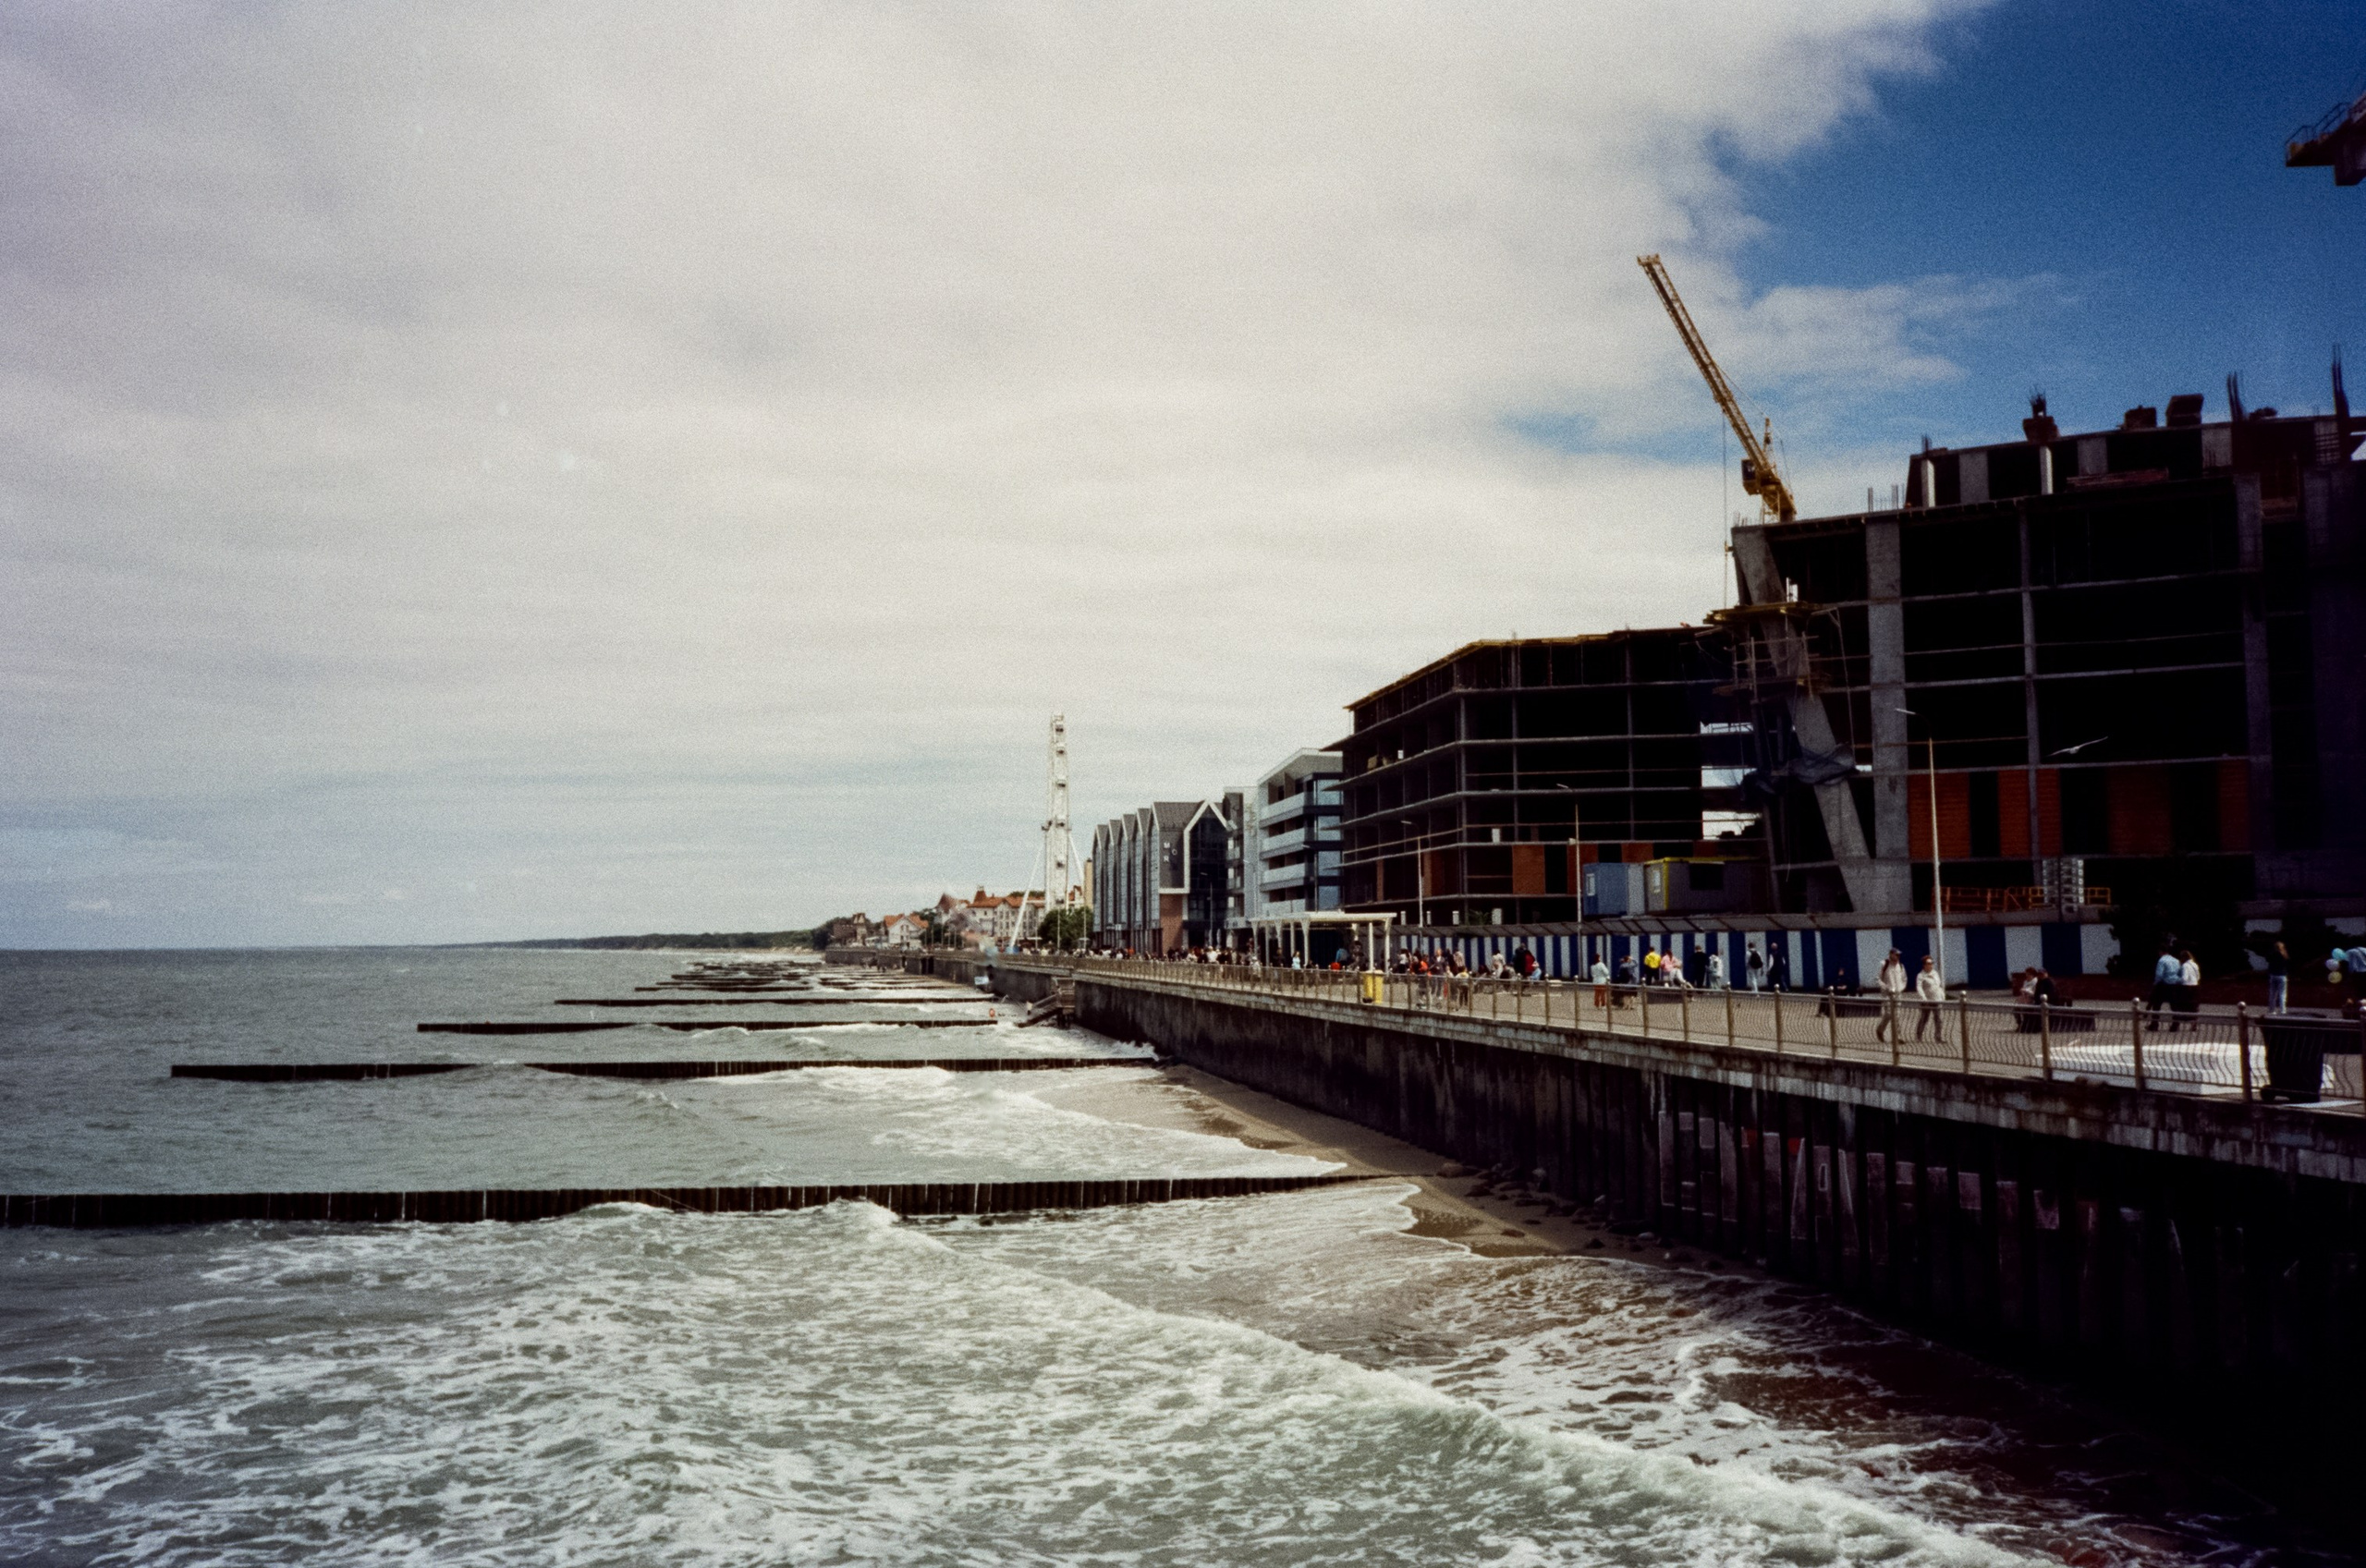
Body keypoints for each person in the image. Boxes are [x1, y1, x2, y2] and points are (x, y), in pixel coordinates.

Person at [1874, 949, 1908, 1043]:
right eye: (1896, 955)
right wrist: (1886, 987)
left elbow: (1904, 979)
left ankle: (1897, 1037)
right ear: (1891, 954)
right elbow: (1877, 979)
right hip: (1887, 994)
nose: (1897, 957)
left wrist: (1901, 988)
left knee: (1897, 1015)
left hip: (1897, 994)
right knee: (1889, 1013)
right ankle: (1880, 1029)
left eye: (1898, 955)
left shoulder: (1901, 966)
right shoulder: (1884, 964)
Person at [1915, 954, 1947, 1042]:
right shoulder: (1921, 975)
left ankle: (1938, 1037)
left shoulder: (1935, 973)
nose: (1931, 965)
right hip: (1927, 1001)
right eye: (1929, 963)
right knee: (1924, 1018)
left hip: (1937, 999)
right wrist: (1923, 998)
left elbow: (1938, 985)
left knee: (1939, 1019)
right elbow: (1919, 987)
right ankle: (1918, 1036)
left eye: (1932, 963)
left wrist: (1942, 995)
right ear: (1924, 965)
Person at [2147, 942, 2180, 1025]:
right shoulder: (2176, 961)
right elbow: (2179, 973)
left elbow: (2159, 975)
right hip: (2174, 985)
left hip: (2164, 985)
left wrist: (2155, 984)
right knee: (2174, 1005)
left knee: (2157, 1005)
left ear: (2160, 951)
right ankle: (2175, 1024)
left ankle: (2154, 1024)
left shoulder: (2162, 961)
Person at [2267, 941, 2291, 1015]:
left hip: (2273, 974)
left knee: (2272, 993)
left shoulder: (2272, 954)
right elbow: (2288, 963)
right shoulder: (2284, 955)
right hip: (2282, 975)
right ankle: (2282, 1010)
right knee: (2282, 993)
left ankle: (2272, 1010)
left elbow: (2268, 960)